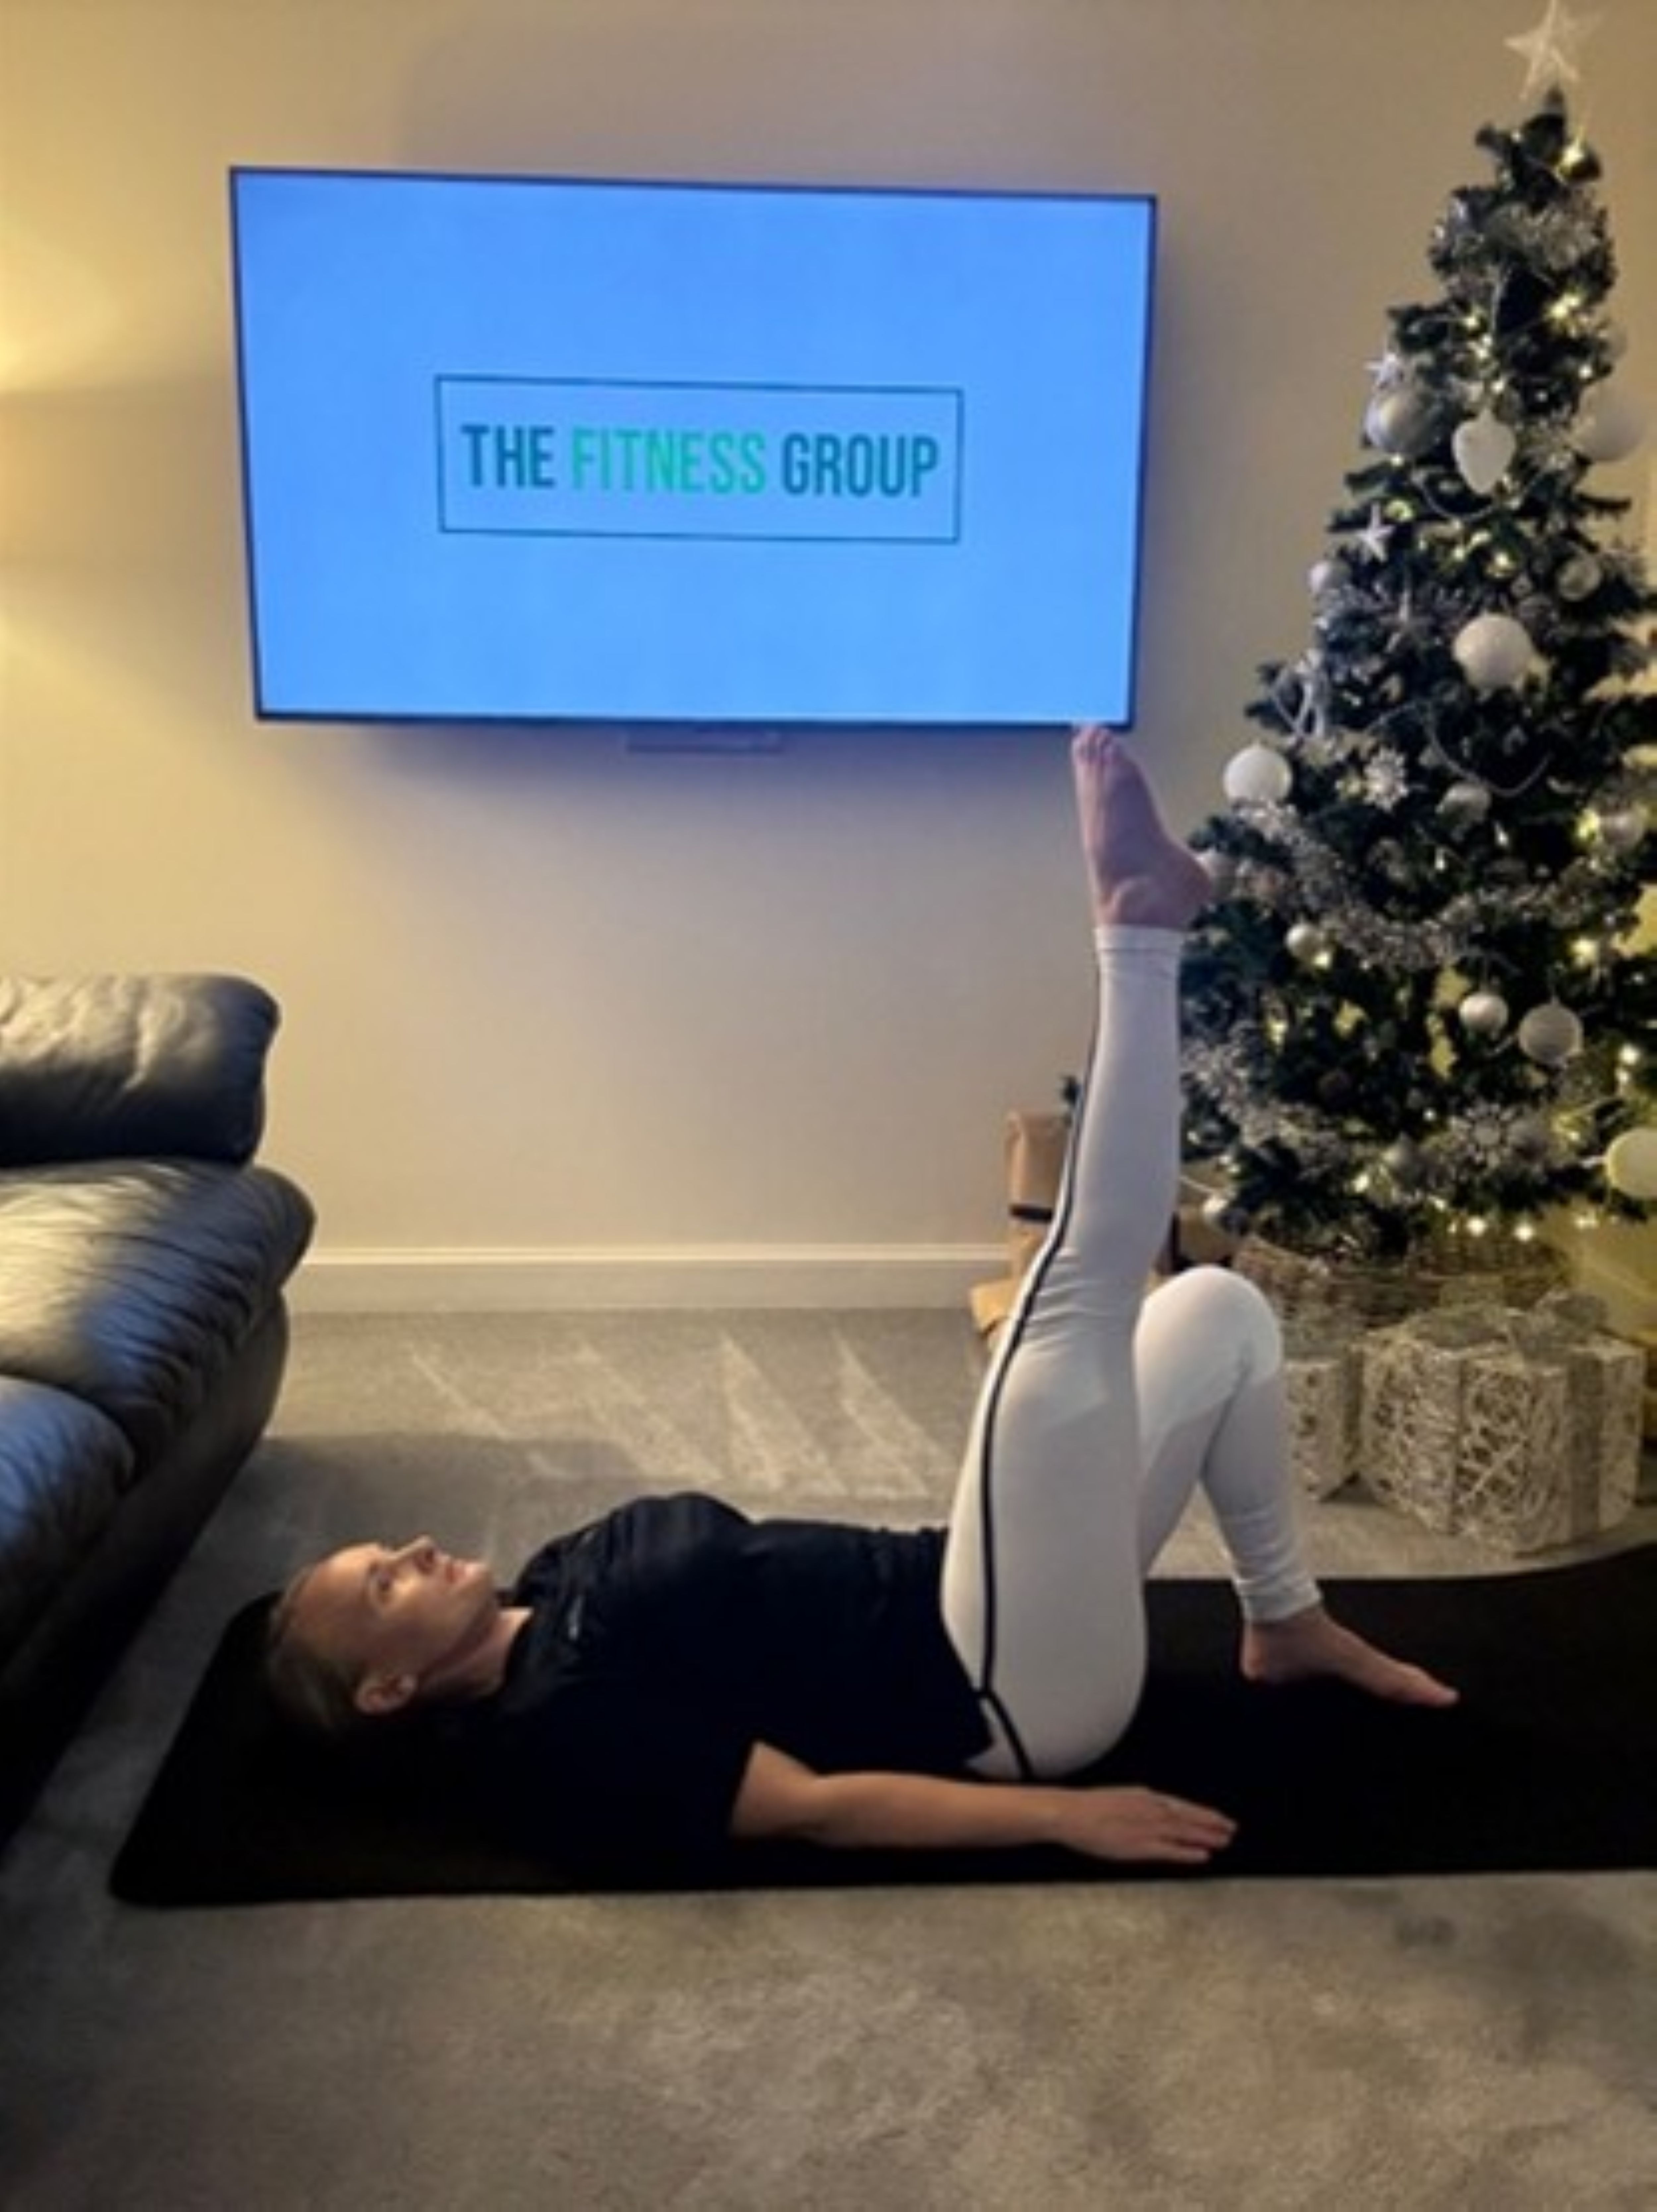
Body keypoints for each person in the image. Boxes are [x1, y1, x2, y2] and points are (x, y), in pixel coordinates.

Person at [265, 728, 1456, 1874]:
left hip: (996, 1593)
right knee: (1064, 1317)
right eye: (385, 1581)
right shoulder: (559, 1728)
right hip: (999, 1694)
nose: (415, 1548)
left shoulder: (551, 1580)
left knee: (1217, 1316)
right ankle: (1140, 927)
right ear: (389, 1689)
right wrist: (1062, 1818)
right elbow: (814, 1809)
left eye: (387, 1552)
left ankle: (1284, 1622)